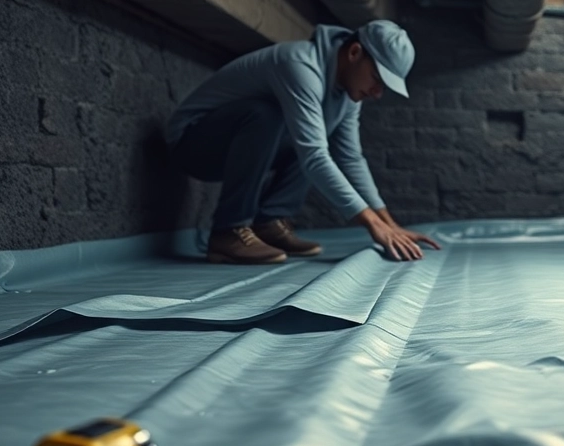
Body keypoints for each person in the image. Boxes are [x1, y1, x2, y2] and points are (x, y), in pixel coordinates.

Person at [166, 20, 441, 264]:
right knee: (269, 116)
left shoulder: (348, 92)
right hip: (193, 145)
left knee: (313, 132)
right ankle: (228, 232)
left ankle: (269, 224)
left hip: (236, 150)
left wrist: (389, 224)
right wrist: (370, 222)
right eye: (377, 79)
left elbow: (350, 158)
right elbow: (314, 156)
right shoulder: (299, 65)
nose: (378, 94)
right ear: (355, 52)